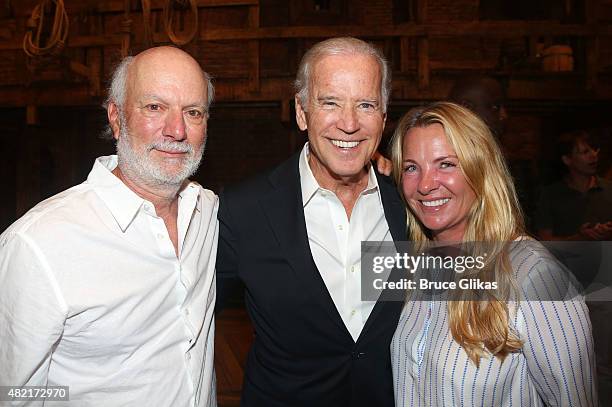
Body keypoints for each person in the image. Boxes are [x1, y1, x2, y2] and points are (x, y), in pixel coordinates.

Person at [0, 47, 218, 406]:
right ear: (117, 118)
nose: (177, 130)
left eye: (193, 112)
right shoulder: (37, 244)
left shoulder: (207, 211)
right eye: (155, 107)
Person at [216, 37, 406, 406]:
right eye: (330, 102)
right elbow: (189, 314)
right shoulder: (244, 209)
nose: (349, 123)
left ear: (383, 117)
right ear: (302, 113)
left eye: (365, 104)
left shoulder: (409, 203)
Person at [389, 102, 597, 406]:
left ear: (480, 169)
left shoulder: (536, 275)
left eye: (446, 164)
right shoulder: (416, 268)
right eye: (411, 167)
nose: (425, 184)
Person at [536, 130, 612, 241]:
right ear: (567, 160)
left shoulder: (609, 189)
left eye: (595, 150)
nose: (594, 155)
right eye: (585, 152)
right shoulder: (550, 195)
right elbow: (544, 241)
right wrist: (578, 238)